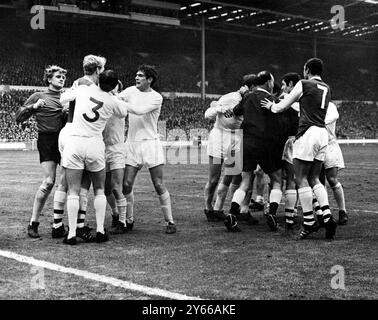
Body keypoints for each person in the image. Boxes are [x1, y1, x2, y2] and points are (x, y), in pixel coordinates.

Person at [261, 58, 337, 240]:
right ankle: (326, 216)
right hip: (322, 134)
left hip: (307, 133)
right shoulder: (327, 87)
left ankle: (309, 222)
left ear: (307, 69)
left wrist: (272, 106)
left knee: (300, 178)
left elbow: (283, 106)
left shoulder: (304, 83)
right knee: (315, 178)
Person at [60, 70, 129, 245]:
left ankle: (72, 233)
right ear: (114, 86)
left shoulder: (83, 89)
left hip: (75, 142)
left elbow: (63, 99)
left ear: (98, 79)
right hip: (95, 144)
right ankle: (99, 230)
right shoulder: (113, 101)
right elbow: (123, 113)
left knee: (73, 191)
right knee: (99, 189)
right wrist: (114, 95)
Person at [223, 71, 286, 232]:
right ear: (268, 83)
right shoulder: (273, 100)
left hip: (247, 142)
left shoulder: (248, 97)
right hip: (267, 143)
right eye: (273, 81)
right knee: (277, 180)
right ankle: (271, 213)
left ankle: (232, 214)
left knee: (245, 181)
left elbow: (236, 111)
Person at [53, 54, 107, 241]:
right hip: (79, 135)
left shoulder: (77, 82)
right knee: (83, 182)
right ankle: (78, 226)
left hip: (67, 131)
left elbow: (63, 101)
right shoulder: (90, 86)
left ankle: (58, 224)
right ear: (98, 69)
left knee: (65, 180)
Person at [119, 64, 176, 234]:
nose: (136, 78)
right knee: (126, 184)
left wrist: (118, 101)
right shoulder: (129, 91)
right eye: (136, 75)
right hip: (132, 143)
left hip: (151, 143)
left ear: (149, 80)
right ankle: (128, 220)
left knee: (158, 184)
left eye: (140, 76)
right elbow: (116, 99)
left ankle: (170, 221)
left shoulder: (156, 97)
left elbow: (138, 110)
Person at [15, 65, 67, 238]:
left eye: (63, 77)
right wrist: (34, 107)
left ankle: (58, 224)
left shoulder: (67, 97)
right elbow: (18, 116)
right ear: (49, 79)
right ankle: (33, 223)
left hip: (66, 139)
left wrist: (67, 113)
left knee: (66, 182)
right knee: (49, 182)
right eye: (58, 76)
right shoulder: (39, 96)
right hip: (47, 140)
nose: (61, 79)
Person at [203, 74, 257, 223]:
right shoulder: (229, 97)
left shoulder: (251, 100)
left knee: (233, 176)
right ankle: (208, 208)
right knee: (214, 178)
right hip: (219, 137)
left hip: (236, 138)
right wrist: (219, 108)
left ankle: (222, 209)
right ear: (251, 87)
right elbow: (207, 114)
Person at [279, 72, 301, 229]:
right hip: (303, 142)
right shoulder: (306, 99)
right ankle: (293, 212)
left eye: (284, 84)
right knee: (300, 179)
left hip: (287, 143)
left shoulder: (285, 102)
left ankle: (288, 217)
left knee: (282, 179)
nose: (282, 87)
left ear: (291, 84)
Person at [322, 101, 348, 225]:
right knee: (318, 182)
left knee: (332, 179)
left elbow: (332, 117)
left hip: (329, 146)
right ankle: (324, 212)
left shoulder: (330, 106)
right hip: (315, 146)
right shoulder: (310, 102)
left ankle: (342, 211)